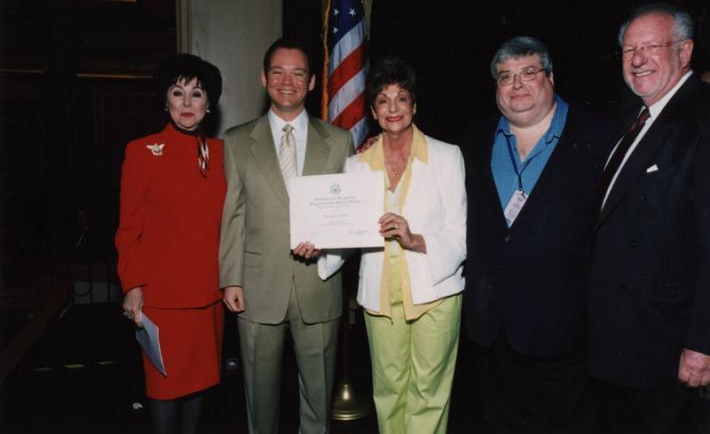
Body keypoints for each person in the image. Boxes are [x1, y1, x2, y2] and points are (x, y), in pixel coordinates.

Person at [462, 36, 614, 433]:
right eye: (505, 77)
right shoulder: (472, 141)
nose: (516, 86)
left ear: (551, 77)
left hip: (567, 334)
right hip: (491, 331)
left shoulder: (602, 139)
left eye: (528, 73)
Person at [315, 57, 466, 433]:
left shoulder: (447, 157)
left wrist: (415, 239)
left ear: (414, 105)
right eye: (384, 100)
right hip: (380, 297)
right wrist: (318, 246)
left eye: (401, 98)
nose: (393, 108)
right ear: (373, 111)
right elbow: (346, 235)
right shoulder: (357, 166)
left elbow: (461, 236)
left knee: (428, 393)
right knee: (388, 391)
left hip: (436, 292)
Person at [219, 38, 353, 434]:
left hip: (319, 285)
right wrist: (231, 278)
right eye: (278, 72)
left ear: (312, 82)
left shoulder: (339, 140)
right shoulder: (237, 140)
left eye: (298, 73)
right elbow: (233, 214)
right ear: (264, 79)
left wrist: (329, 246)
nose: (287, 81)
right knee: (259, 400)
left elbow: (346, 215)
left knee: (318, 395)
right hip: (258, 288)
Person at [588, 3, 710, 433]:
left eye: (651, 47)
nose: (637, 59)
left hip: (666, 344)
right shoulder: (633, 117)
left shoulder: (701, 118)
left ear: (685, 51)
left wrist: (702, 343)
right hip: (619, 342)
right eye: (628, 49)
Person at [115, 54, 226, 434]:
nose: (187, 102)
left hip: (210, 296)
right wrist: (132, 285)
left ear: (209, 104)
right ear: (165, 101)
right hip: (161, 300)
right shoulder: (142, 152)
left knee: (199, 386)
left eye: (197, 94)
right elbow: (128, 229)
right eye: (178, 93)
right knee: (164, 389)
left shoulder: (224, 155)